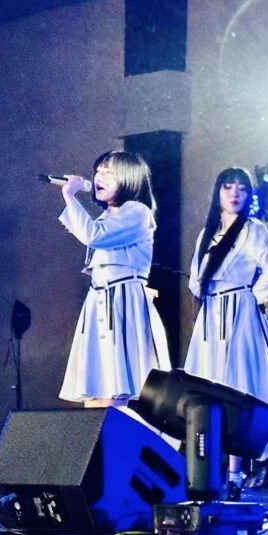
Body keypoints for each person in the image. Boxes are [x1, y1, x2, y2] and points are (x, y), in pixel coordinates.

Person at [184, 167, 268, 497]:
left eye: (241, 188)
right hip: (211, 314)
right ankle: (218, 469)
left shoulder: (253, 229)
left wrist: (251, 299)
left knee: (237, 389)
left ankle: (235, 475)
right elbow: (195, 279)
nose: (234, 194)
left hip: (238, 313)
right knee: (209, 388)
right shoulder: (207, 233)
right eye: (228, 187)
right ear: (218, 192)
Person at [58, 150, 170, 407]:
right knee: (95, 383)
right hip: (100, 298)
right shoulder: (108, 215)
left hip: (121, 300)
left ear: (129, 178)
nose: (99, 177)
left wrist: (69, 196)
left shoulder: (137, 211)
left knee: (116, 383)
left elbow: (94, 236)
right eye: (98, 171)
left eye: (109, 173)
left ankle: (117, 427)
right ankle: (98, 430)